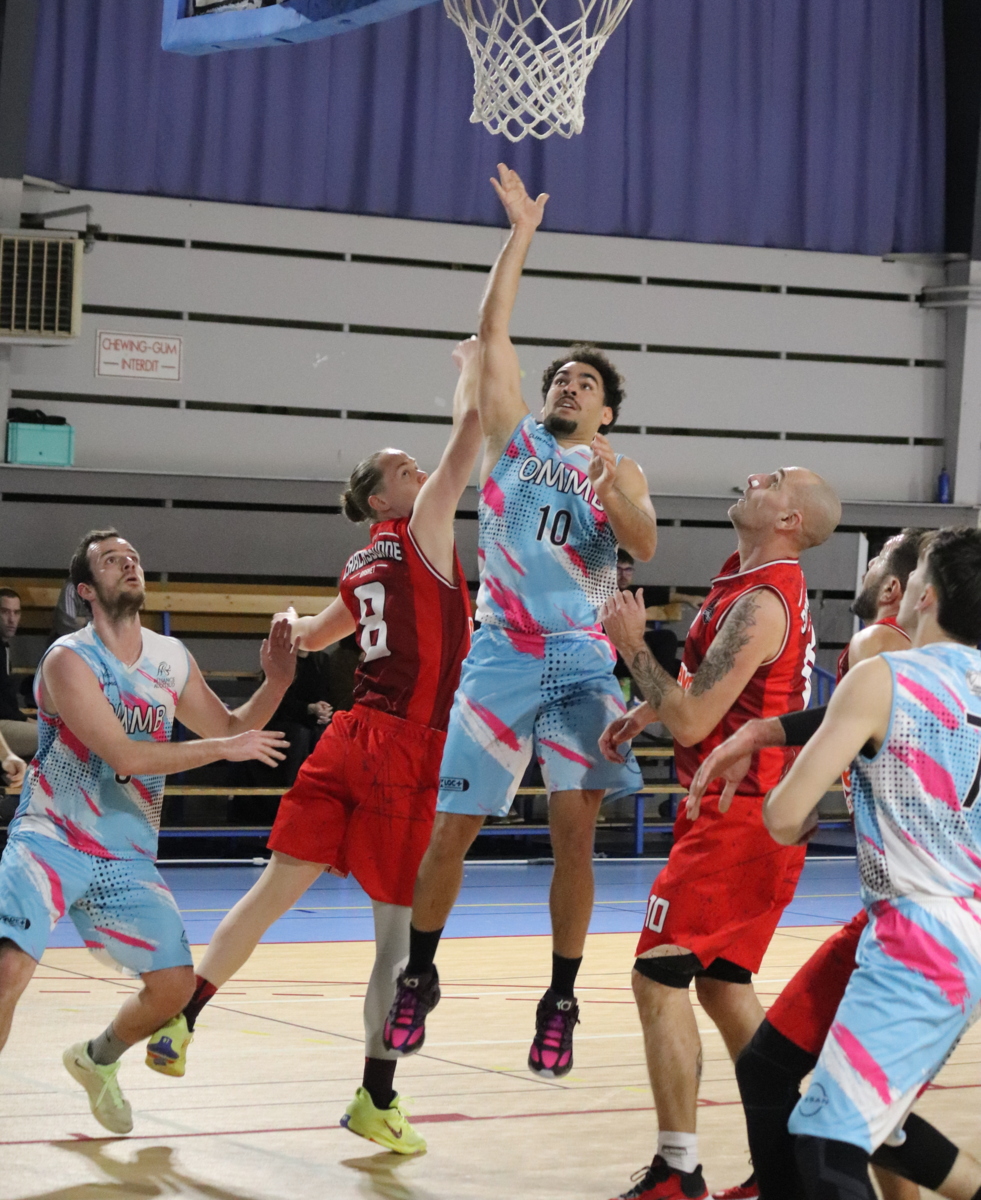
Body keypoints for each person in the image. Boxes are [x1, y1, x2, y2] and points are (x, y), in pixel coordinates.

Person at [146, 339, 483, 1156]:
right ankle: (375, 1097)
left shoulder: (359, 564)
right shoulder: (421, 530)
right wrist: (477, 365)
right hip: (406, 746)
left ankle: (182, 1021)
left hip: (348, 739)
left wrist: (286, 628)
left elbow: (310, 634)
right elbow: (470, 435)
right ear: (378, 497)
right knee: (396, 934)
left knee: (272, 892)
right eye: (401, 468)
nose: (417, 470)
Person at [383, 164, 657, 1081]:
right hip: (501, 653)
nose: (570, 387)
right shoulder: (516, 439)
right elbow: (492, 329)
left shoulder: (618, 469)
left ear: (606, 409)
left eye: (586, 383)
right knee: (452, 827)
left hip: (580, 661)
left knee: (573, 836)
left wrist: (614, 493)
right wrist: (521, 235)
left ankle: (560, 997)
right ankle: (419, 976)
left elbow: (645, 546)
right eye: (563, 379)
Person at [688, 527, 981, 1200]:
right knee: (769, 1068)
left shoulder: (882, 669)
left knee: (828, 1145)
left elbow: (784, 816)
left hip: (920, 936)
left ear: (925, 596)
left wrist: (798, 791)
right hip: (938, 923)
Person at [598, 466, 841, 1200]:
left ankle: (679, 1171)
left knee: (657, 975)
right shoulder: (744, 578)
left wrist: (631, 646)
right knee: (724, 986)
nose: (753, 477)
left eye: (773, 480)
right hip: (752, 815)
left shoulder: (762, 602)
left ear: (790, 520)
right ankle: (789, 1163)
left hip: (742, 819)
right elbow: (708, 692)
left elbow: (695, 721)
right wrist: (647, 708)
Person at [0, 529, 294, 1135]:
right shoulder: (67, 659)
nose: (129, 564)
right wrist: (223, 748)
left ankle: (96, 1059)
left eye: (132, 557)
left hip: (126, 851)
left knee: (174, 988)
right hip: (51, 837)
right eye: (112, 560)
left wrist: (278, 682)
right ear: (86, 589)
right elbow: (126, 756)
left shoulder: (170, 658)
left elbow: (229, 726)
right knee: (8, 972)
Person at [0, 588, 38, 761]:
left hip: (6, 720)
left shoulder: (4, 648)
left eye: (16, 612)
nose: (11, 619)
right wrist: (24, 719)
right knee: (56, 737)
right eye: (5, 612)